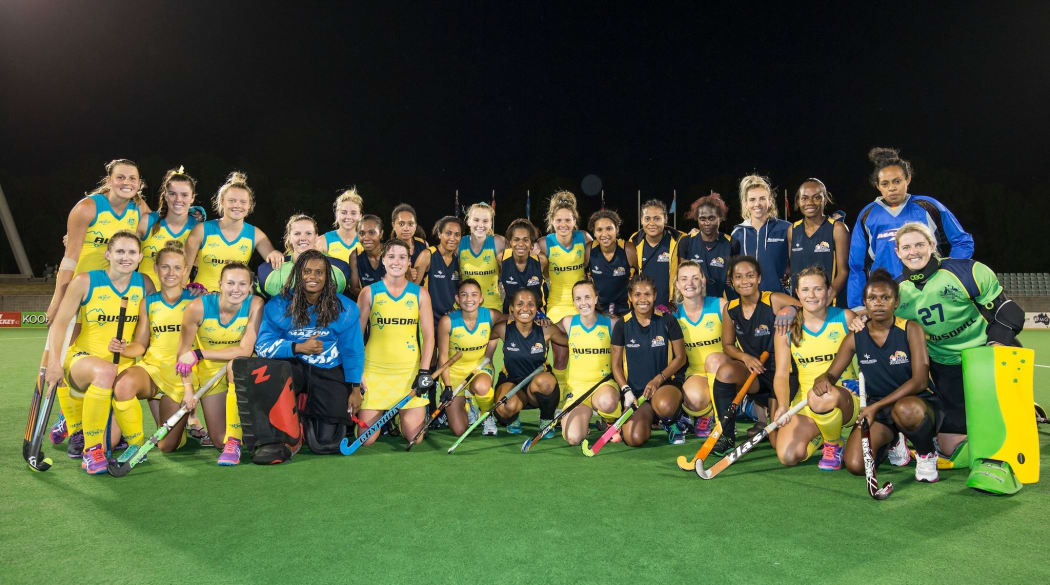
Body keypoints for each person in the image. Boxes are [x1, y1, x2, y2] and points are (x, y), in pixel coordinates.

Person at [883, 222, 1022, 472]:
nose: (913, 252)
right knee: (950, 447)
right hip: (946, 365)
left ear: (932, 246)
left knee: (1005, 430)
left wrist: (996, 346)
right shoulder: (896, 292)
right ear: (897, 253)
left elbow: (1008, 312)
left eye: (919, 244)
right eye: (906, 247)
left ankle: (1022, 408)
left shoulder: (967, 271)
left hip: (985, 356)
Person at [46, 159, 150, 455]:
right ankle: (73, 423)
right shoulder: (88, 208)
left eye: (132, 178)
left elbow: (153, 239)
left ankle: (96, 424)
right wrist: (58, 296)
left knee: (107, 358)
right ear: (110, 178)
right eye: (121, 177)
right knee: (63, 356)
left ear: (139, 183)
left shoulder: (139, 211)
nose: (126, 182)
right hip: (81, 289)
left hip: (116, 286)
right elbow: (70, 256)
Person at [44, 230, 151, 474]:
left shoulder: (144, 284)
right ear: (108, 254)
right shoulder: (85, 281)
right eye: (120, 251)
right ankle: (92, 451)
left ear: (140, 257)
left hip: (122, 364)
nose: (126, 257)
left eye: (132, 252)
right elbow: (60, 324)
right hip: (84, 360)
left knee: (111, 440)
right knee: (105, 371)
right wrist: (54, 363)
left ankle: (125, 441)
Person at [814, 269, 934, 481]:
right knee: (855, 465)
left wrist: (875, 407)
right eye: (872, 298)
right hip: (879, 409)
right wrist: (823, 379)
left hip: (915, 404)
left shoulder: (911, 329)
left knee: (905, 410)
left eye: (885, 298)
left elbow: (921, 380)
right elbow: (831, 374)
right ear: (865, 302)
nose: (878, 303)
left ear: (895, 302)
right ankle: (894, 440)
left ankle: (926, 454)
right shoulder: (855, 337)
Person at [255, 250, 365, 453]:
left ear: (327, 277)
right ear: (298, 274)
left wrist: (355, 388)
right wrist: (297, 347)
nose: (312, 277)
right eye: (307, 272)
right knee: (271, 373)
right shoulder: (279, 305)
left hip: (328, 367)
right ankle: (280, 428)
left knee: (327, 444)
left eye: (319, 272)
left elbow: (353, 350)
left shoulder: (345, 308)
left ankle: (307, 414)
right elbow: (262, 346)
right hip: (292, 367)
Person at [846, 147, 974, 310]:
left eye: (897, 181)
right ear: (878, 186)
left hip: (930, 292)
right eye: (885, 183)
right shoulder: (868, 215)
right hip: (886, 296)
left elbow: (962, 241)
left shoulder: (927, 206)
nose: (892, 188)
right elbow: (857, 265)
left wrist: (949, 275)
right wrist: (857, 306)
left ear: (908, 179)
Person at [114, 241, 209, 453]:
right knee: (123, 384)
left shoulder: (197, 301)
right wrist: (123, 349)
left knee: (167, 446)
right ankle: (135, 444)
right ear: (156, 268)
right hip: (153, 369)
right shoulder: (148, 302)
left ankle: (181, 429)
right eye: (165, 266)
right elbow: (140, 344)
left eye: (177, 267)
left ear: (186, 271)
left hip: (181, 376)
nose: (170, 272)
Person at [771, 267, 859, 471]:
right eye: (806, 290)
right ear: (797, 294)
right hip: (805, 403)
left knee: (822, 396)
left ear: (828, 292)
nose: (811, 295)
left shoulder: (845, 318)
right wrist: (783, 405)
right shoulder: (787, 328)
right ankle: (825, 432)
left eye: (818, 289)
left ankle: (834, 443)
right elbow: (782, 374)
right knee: (788, 455)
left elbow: (865, 356)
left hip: (844, 399)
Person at [710, 256, 800, 455]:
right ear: (732, 282)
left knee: (777, 443)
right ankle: (726, 434)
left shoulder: (773, 299)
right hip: (756, 373)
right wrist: (745, 358)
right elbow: (727, 345)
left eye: (750, 276)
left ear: (759, 278)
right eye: (739, 277)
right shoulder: (730, 309)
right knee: (725, 372)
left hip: (783, 374)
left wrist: (791, 309)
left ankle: (771, 418)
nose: (745, 281)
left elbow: (804, 308)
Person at [176, 262, 264, 465]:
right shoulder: (196, 308)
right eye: (230, 283)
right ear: (220, 284)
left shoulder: (255, 304)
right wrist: (188, 390)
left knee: (236, 364)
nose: (236, 289)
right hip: (211, 373)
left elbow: (245, 351)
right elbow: (183, 355)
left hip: (241, 370)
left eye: (243, 284)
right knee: (218, 440)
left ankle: (234, 441)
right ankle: (232, 437)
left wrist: (199, 353)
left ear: (250, 286)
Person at [356, 239, 436, 448]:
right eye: (391, 256)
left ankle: (399, 416)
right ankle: (387, 415)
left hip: (408, 374)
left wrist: (424, 371)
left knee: (414, 438)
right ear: (383, 260)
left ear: (409, 261)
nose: (396, 262)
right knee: (366, 440)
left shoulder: (420, 294)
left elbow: (429, 336)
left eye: (402, 257)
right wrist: (358, 373)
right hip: (375, 372)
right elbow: (355, 335)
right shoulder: (368, 292)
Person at [611, 274, 689, 445]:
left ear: (654, 296)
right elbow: (615, 365)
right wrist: (626, 390)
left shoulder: (668, 320)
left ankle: (672, 421)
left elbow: (681, 358)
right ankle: (652, 419)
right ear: (630, 298)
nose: (643, 299)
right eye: (637, 294)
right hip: (638, 396)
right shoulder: (622, 324)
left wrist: (657, 380)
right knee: (633, 438)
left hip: (665, 386)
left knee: (665, 405)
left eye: (647, 294)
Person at [183, 172, 284, 291]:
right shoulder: (202, 230)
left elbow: (272, 257)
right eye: (232, 200)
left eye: (243, 202)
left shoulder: (256, 234)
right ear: (222, 202)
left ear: (249, 205)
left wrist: (275, 254)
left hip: (236, 302)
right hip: (202, 300)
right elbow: (184, 269)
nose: (237, 205)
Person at [555, 280, 621, 445]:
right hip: (577, 391)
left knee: (607, 403)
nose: (583, 303)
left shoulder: (611, 323)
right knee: (573, 438)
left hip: (603, 386)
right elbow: (546, 330)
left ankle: (610, 422)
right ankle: (584, 425)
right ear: (573, 302)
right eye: (578, 299)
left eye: (587, 297)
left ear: (596, 298)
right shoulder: (568, 322)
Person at [490, 288, 561, 435]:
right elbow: (478, 338)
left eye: (531, 304)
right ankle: (513, 417)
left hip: (537, 386)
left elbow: (572, 341)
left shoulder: (546, 329)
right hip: (511, 383)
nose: (525, 309)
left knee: (546, 383)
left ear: (537, 308)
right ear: (512, 308)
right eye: (520, 304)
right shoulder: (502, 329)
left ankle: (546, 419)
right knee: (503, 409)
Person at [540, 192, 590, 399]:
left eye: (567, 220)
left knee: (585, 355)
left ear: (574, 221)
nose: (563, 224)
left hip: (582, 305)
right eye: (558, 220)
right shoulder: (544, 243)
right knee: (561, 356)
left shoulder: (585, 238)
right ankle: (560, 401)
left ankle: (582, 395)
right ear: (552, 221)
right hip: (557, 306)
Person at [672, 260, 728, 438]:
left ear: (703, 281)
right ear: (678, 284)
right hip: (697, 372)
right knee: (693, 399)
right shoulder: (674, 315)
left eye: (695, 278)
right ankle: (707, 413)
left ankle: (723, 419)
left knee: (714, 359)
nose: (690, 283)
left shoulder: (720, 305)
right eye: (684, 279)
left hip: (725, 370)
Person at [437, 279, 499, 436]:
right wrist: (448, 387)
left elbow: (511, 322)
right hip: (454, 374)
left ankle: (486, 415)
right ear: (457, 299)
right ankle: (468, 404)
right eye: (464, 295)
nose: (469, 299)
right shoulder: (447, 322)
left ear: (481, 298)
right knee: (459, 430)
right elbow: (443, 358)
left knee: (482, 387)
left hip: (479, 369)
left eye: (473, 295)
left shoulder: (491, 315)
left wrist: (490, 351)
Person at [138, 166, 205, 290]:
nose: (178, 199)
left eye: (184, 195)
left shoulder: (198, 229)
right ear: (166, 196)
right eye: (173, 194)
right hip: (143, 297)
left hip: (177, 301)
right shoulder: (148, 221)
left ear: (192, 198)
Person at [787, 179, 850, 307]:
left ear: (825, 199)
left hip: (830, 305)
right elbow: (792, 268)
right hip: (802, 306)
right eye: (804, 198)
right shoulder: (792, 230)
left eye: (816, 198)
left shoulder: (837, 229)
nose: (810, 203)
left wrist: (826, 298)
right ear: (798, 201)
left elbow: (843, 271)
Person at [257, 214, 351, 299]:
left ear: (316, 237)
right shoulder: (271, 272)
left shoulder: (338, 270)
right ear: (289, 238)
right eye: (297, 233)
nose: (303, 238)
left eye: (308, 233)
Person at [730, 175, 790, 295]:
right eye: (752, 199)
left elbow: (796, 262)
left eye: (762, 198)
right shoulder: (737, 233)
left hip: (778, 300)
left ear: (770, 201)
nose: (757, 204)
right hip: (748, 301)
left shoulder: (786, 228)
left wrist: (786, 276)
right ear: (746, 203)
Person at [629, 199, 683, 310]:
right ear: (641, 220)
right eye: (647, 219)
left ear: (666, 220)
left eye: (657, 218)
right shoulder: (633, 242)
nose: (652, 223)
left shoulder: (680, 240)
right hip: (642, 309)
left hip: (671, 309)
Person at [679, 192, 732, 298]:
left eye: (711, 218)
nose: (707, 223)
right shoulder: (686, 242)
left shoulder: (732, 243)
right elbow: (683, 276)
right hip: (695, 301)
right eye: (702, 219)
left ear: (720, 217)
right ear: (697, 219)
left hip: (722, 303)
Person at [418, 216, 464, 330]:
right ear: (439, 234)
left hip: (451, 318)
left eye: (457, 234)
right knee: (430, 348)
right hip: (429, 317)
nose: (452, 238)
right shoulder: (427, 255)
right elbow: (413, 286)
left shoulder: (459, 259)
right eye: (448, 233)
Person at [457, 203, 505, 312]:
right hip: (465, 307)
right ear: (468, 221)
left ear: (491, 223)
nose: (480, 225)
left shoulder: (498, 242)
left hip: (492, 308)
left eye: (485, 221)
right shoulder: (459, 243)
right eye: (476, 220)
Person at [587, 209, 635, 317]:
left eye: (609, 229)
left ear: (616, 229)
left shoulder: (628, 249)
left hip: (625, 309)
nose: (604, 234)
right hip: (599, 310)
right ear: (594, 233)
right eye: (599, 230)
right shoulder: (589, 250)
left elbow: (641, 277)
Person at [500, 218, 546, 314]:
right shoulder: (501, 258)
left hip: (536, 314)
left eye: (526, 240)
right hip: (510, 314)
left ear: (531, 242)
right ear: (510, 242)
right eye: (516, 240)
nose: (520, 244)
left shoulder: (541, 260)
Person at [321, 188, 364, 265]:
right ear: (337, 214)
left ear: (360, 216)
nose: (348, 217)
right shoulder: (323, 241)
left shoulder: (366, 241)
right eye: (344, 212)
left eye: (353, 213)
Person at [390, 203, 430, 284]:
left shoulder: (424, 244)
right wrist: (404, 274)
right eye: (401, 224)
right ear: (393, 225)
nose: (406, 228)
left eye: (410, 224)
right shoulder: (388, 249)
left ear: (415, 226)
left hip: (420, 294)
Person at [347, 214, 386, 297]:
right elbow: (354, 288)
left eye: (371, 232)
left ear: (381, 234)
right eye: (362, 233)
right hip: (369, 303)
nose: (366, 238)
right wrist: (373, 300)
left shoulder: (392, 252)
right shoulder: (355, 256)